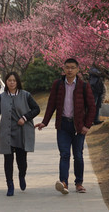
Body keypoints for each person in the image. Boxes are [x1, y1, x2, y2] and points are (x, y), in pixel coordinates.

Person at [35, 58, 96, 195]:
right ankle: (63, 183)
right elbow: (51, 104)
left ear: (77, 69)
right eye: (67, 67)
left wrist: (87, 126)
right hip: (63, 125)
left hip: (78, 126)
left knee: (78, 156)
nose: (69, 70)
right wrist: (45, 122)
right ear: (63, 68)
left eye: (72, 67)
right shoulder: (58, 85)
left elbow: (92, 107)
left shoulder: (84, 86)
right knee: (64, 154)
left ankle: (79, 183)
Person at [0, 72, 41, 196]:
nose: (11, 82)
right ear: (6, 81)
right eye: (9, 80)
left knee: (22, 160)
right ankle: (10, 184)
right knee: (8, 160)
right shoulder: (1, 97)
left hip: (22, 131)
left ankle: (22, 175)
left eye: (14, 80)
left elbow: (36, 109)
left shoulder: (26, 95)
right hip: (6, 132)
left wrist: (25, 118)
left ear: (17, 82)